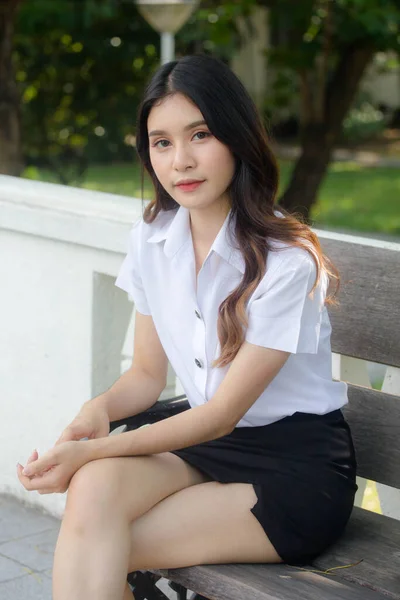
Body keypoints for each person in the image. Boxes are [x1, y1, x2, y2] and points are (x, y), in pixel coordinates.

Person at [17, 54, 357, 600]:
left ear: (236, 137)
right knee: (96, 496)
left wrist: (92, 451)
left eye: (200, 134)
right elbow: (147, 376)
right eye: (162, 142)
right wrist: (97, 412)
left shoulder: (287, 261)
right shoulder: (153, 238)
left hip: (292, 469)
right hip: (205, 445)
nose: (182, 161)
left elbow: (223, 414)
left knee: (99, 540)